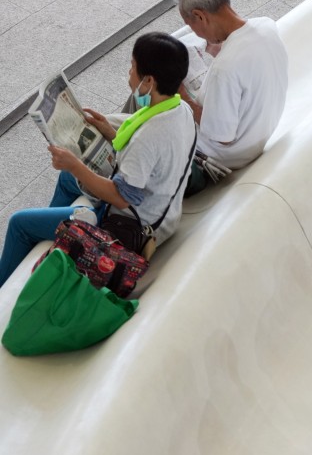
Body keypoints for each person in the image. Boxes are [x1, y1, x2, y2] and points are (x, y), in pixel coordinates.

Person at [0, 33, 196, 286]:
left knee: (19, 223)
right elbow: (152, 161)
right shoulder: (180, 110)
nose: (129, 73)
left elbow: (121, 197)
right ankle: (46, 234)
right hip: (161, 210)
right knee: (68, 179)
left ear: (148, 80)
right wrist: (108, 131)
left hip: (129, 228)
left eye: (132, 67)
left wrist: (75, 164)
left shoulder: (149, 136)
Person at [172, 0, 289, 191]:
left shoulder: (225, 69)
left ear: (199, 15)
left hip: (229, 154)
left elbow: (221, 137)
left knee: (152, 90)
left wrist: (181, 94)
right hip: (259, 131)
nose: (195, 33)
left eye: (191, 25)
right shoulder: (266, 26)